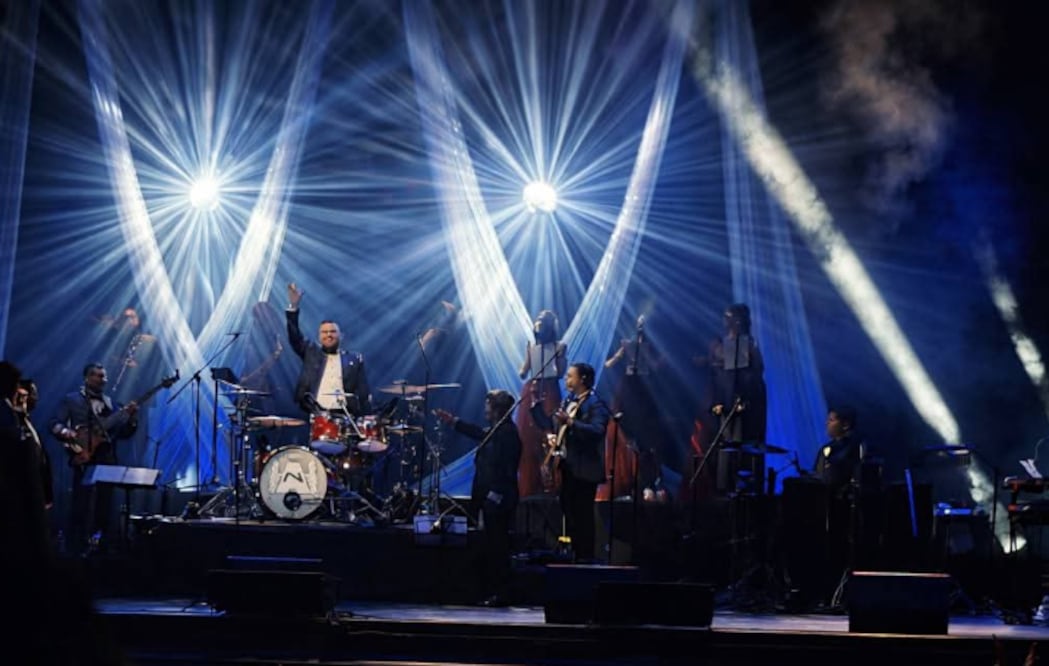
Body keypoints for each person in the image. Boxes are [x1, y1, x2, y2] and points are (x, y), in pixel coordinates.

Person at [435, 389, 522, 606]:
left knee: (498, 546)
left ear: (496, 409)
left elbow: (507, 467)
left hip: (498, 498)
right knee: (490, 545)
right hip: (488, 497)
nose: (484, 409)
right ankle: (490, 590)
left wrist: (496, 494)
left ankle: (502, 593)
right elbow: (478, 433)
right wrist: (454, 421)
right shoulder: (497, 430)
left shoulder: (508, 434)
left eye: (487, 405)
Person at [50, 363, 139, 555]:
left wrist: (131, 419)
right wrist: (69, 433)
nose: (102, 380)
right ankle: (76, 550)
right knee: (81, 505)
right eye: (98, 376)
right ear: (87, 378)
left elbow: (123, 433)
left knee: (105, 507)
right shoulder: (71, 399)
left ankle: (102, 549)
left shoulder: (112, 404)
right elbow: (54, 423)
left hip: (106, 459)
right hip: (83, 457)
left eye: (104, 376)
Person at [535, 362, 610, 562]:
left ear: (582, 379)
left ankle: (585, 557)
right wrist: (551, 430)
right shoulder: (569, 400)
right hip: (568, 467)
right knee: (569, 512)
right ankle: (576, 554)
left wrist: (570, 423)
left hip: (585, 470)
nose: (566, 380)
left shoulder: (595, 403)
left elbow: (598, 431)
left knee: (583, 515)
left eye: (570, 376)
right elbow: (555, 425)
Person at [286, 282, 371, 417]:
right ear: (319, 337)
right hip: (314, 412)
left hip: (345, 416)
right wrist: (293, 307)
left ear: (341, 336)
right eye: (324, 332)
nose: (328, 335)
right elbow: (294, 337)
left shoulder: (353, 359)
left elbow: (363, 392)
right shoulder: (311, 352)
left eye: (332, 332)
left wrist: (367, 416)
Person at [709, 303, 767, 494]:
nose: (724, 320)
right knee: (725, 444)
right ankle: (724, 489)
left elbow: (754, 374)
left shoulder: (748, 344)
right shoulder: (723, 343)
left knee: (744, 444)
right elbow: (719, 375)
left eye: (728, 317)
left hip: (745, 402)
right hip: (726, 401)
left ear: (737, 320)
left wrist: (745, 399)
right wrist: (717, 401)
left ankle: (747, 489)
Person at [516, 309, 567, 497]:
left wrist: (561, 356)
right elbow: (524, 369)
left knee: (549, 434)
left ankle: (551, 483)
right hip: (533, 390)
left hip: (550, 389)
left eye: (543, 322)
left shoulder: (559, 345)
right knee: (529, 438)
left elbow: (560, 372)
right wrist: (523, 370)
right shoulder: (532, 346)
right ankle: (531, 483)